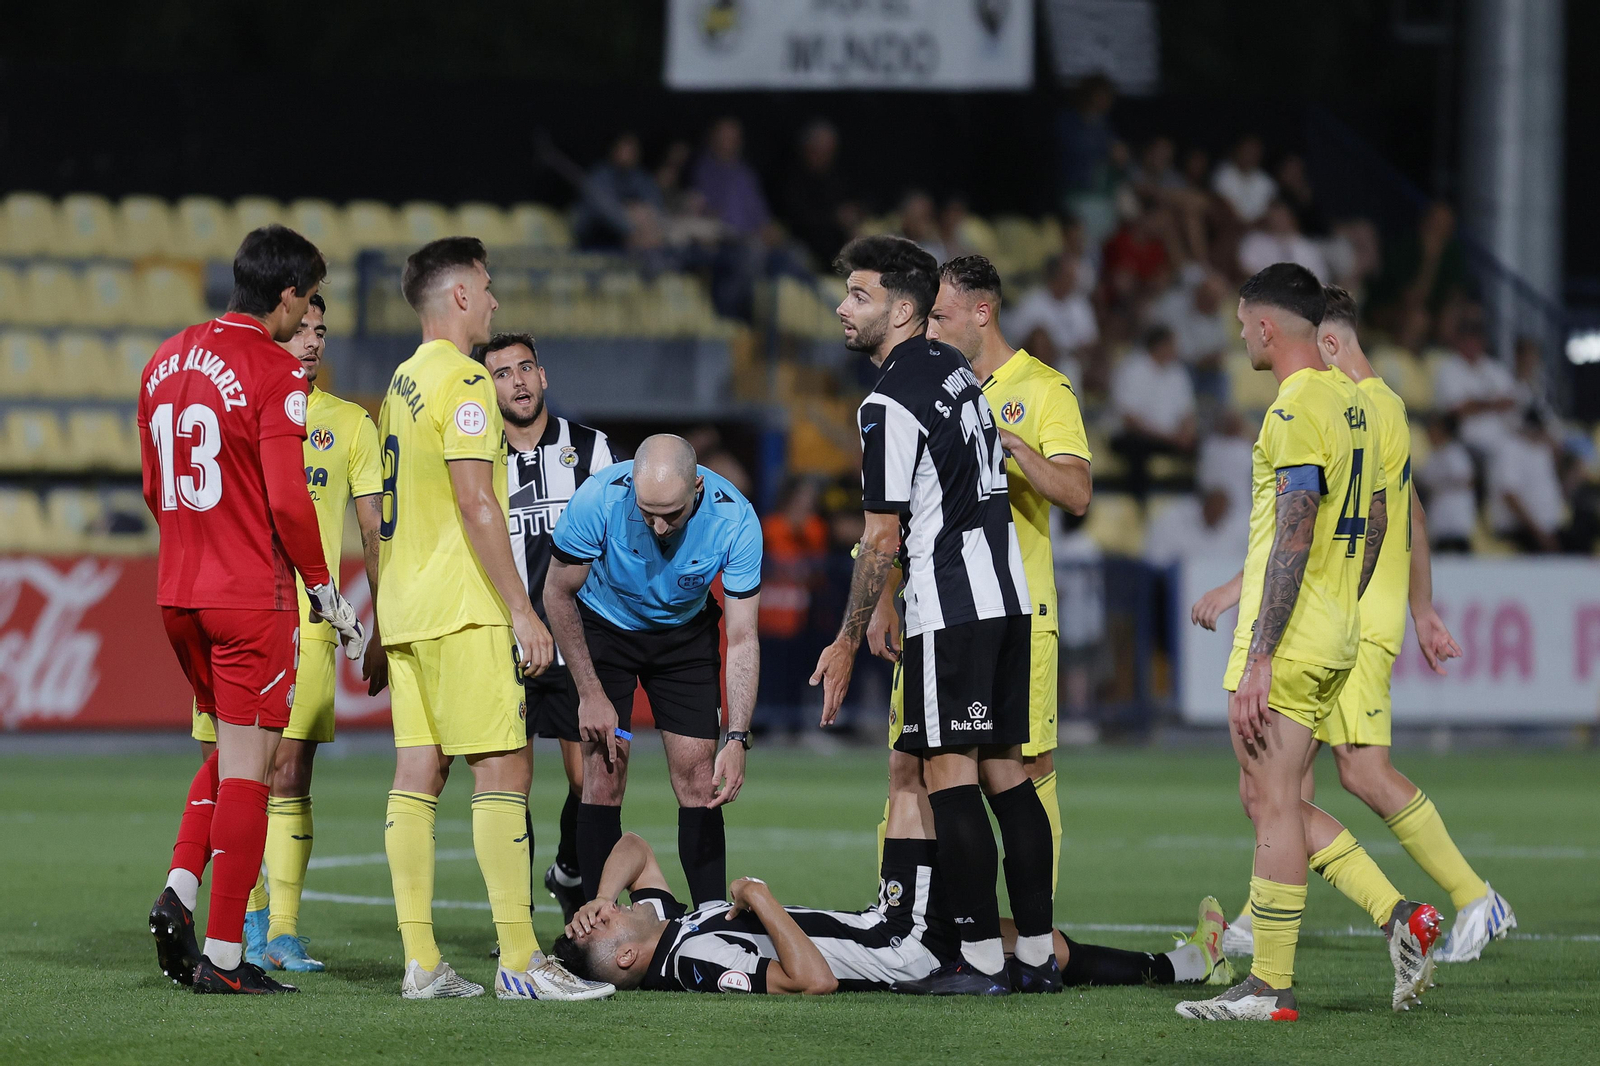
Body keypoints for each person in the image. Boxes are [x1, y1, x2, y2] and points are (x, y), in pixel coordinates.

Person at [1195, 286, 1514, 968]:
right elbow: (1399, 513)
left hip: (1340, 624)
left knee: (1341, 776)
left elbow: (1316, 525)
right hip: (1347, 616)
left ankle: (1454, 900)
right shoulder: (1378, 410)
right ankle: (1267, 914)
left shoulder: (1352, 405)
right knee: (1284, 783)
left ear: (1328, 343)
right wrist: (1418, 609)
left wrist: (1392, 606)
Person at [1174, 264, 1440, 1022]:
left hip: (1289, 640)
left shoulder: (1292, 409)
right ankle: (1400, 918)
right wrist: (1337, 605)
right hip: (1335, 631)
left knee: (1274, 803)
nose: (1238, 336)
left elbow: (1294, 531)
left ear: (1264, 328)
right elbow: (1382, 516)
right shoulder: (1355, 403)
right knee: (1269, 796)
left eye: (1240, 325)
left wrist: (1260, 652)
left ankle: (1270, 987)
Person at [809, 235, 1055, 996]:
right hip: (1006, 596)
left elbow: (882, 536)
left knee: (948, 777)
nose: (844, 308)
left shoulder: (887, 402)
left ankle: (980, 962)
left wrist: (847, 640)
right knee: (1007, 776)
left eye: (859, 295)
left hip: (951, 609)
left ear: (904, 307)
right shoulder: (956, 368)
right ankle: (1037, 959)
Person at [376, 236, 610, 1003]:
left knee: (417, 775)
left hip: (407, 606)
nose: (496, 299)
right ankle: (518, 959)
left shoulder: (402, 381)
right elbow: (480, 502)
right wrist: (521, 609)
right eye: (487, 286)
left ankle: (420, 963)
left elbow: (385, 511)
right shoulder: (464, 381)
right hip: (462, 609)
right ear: (461, 297)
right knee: (505, 769)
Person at [143, 225, 366, 995]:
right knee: (255, 769)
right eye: (306, 300)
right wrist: (323, 589)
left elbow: (152, 487)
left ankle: (180, 884)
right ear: (286, 296)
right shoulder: (274, 371)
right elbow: (288, 499)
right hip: (249, 596)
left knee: (226, 753)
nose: (305, 315)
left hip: (178, 593)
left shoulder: (164, 359)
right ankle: (230, 959)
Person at [187, 293, 386, 974]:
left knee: (291, 770)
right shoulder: (239, 404)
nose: (312, 340)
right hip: (240, 609)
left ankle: (282, 930)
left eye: (322, 331)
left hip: (310, 617)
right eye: (301, 328)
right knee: (236, 766)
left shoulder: (349, 424)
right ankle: (236, 921)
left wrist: (378, 612)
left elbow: (371, 526)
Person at [911, 254, 1092, 898]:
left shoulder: (1044, 389)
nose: (929, 330)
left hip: (1019, 611)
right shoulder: (930, 388)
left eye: (941, 316)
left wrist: (1014, 448)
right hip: (937, 610)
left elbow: (1076, 491)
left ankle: (1029, 925)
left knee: (1025, 768)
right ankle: (918, 915)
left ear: (982, 313)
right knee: (918, 765)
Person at [549, 828, 1231, 995]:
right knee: (916, 783)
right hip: (894, 947)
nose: (604, 916)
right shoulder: (696, 962)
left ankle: (1187, 963)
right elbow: (812, 980)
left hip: (883, 931)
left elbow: (634, 847)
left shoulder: (670, 926)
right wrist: (758, 896)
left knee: (1039, 944)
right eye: (603, 928)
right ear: (628, 959)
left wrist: (598, 901)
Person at [543, 434, 762, 910]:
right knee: (603, 773)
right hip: (604, 629)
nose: (659, 527)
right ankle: (595, 925)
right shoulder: (598, 498)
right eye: (647, 513)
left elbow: (743, 638)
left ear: (698, 489)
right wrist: (589, 691)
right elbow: (556, 594)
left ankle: (710, 923)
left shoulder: (737, 519)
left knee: (698, 778)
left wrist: (738, 736)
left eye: (672, 514)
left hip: (684, 636)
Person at [481, 331, 617, 923]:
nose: (517, 381)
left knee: (590, 779)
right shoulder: (476, 459)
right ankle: (517, 925)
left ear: (543, 377)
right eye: (502, 373)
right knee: (510, 787)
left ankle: (572, 881)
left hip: (576, 644)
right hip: (500, 642)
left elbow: (621, 536)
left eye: (525, 368)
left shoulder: (592, 450)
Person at [1110, 325, 1197, 500]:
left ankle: (1194, 500)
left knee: (1203, 446)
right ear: (1159, 346)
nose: (1176, 350)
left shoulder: (1177, 372)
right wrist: (1169, 437)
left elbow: (1187, 412)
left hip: (1170, 438)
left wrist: (1186, 434)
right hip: (1137, 436)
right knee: (1137, 449)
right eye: (1172, 345)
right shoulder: (1132, 368)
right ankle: (1139, 505)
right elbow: (1130, 420)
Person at [1004, 253, 1098, 382]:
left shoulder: (1079, 304)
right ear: (1055, 276)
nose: (1073, 280)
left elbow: (1090, 342)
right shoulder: (1032, 301)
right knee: (1040, 336)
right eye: (1067, 276)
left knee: (1071, 367)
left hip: (1070, 362)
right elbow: (1016, 342)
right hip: (1035, 366)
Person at [1488, 408, 1567, 553]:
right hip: (1521, 531)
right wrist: (1539, 534)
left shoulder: (1543, 451)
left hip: (1548, 528)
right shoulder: (1510, 449)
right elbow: (1510, 495)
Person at [1416, 414, 1475, 553]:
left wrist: (1442, 482)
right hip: (1439, 518)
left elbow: (1466, 479)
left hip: (1456, 517)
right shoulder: (1434, 456)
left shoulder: (1455, 453)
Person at [1211, 135, 1277, 225]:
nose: (1250, 155)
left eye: (1254, 152)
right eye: (1247, 150)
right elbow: (1222, 205)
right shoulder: (1223, 174)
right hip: (1230, 226)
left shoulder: (1266, 181)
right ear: (1237, 150)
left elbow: (1270, 210)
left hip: (1260, 228)